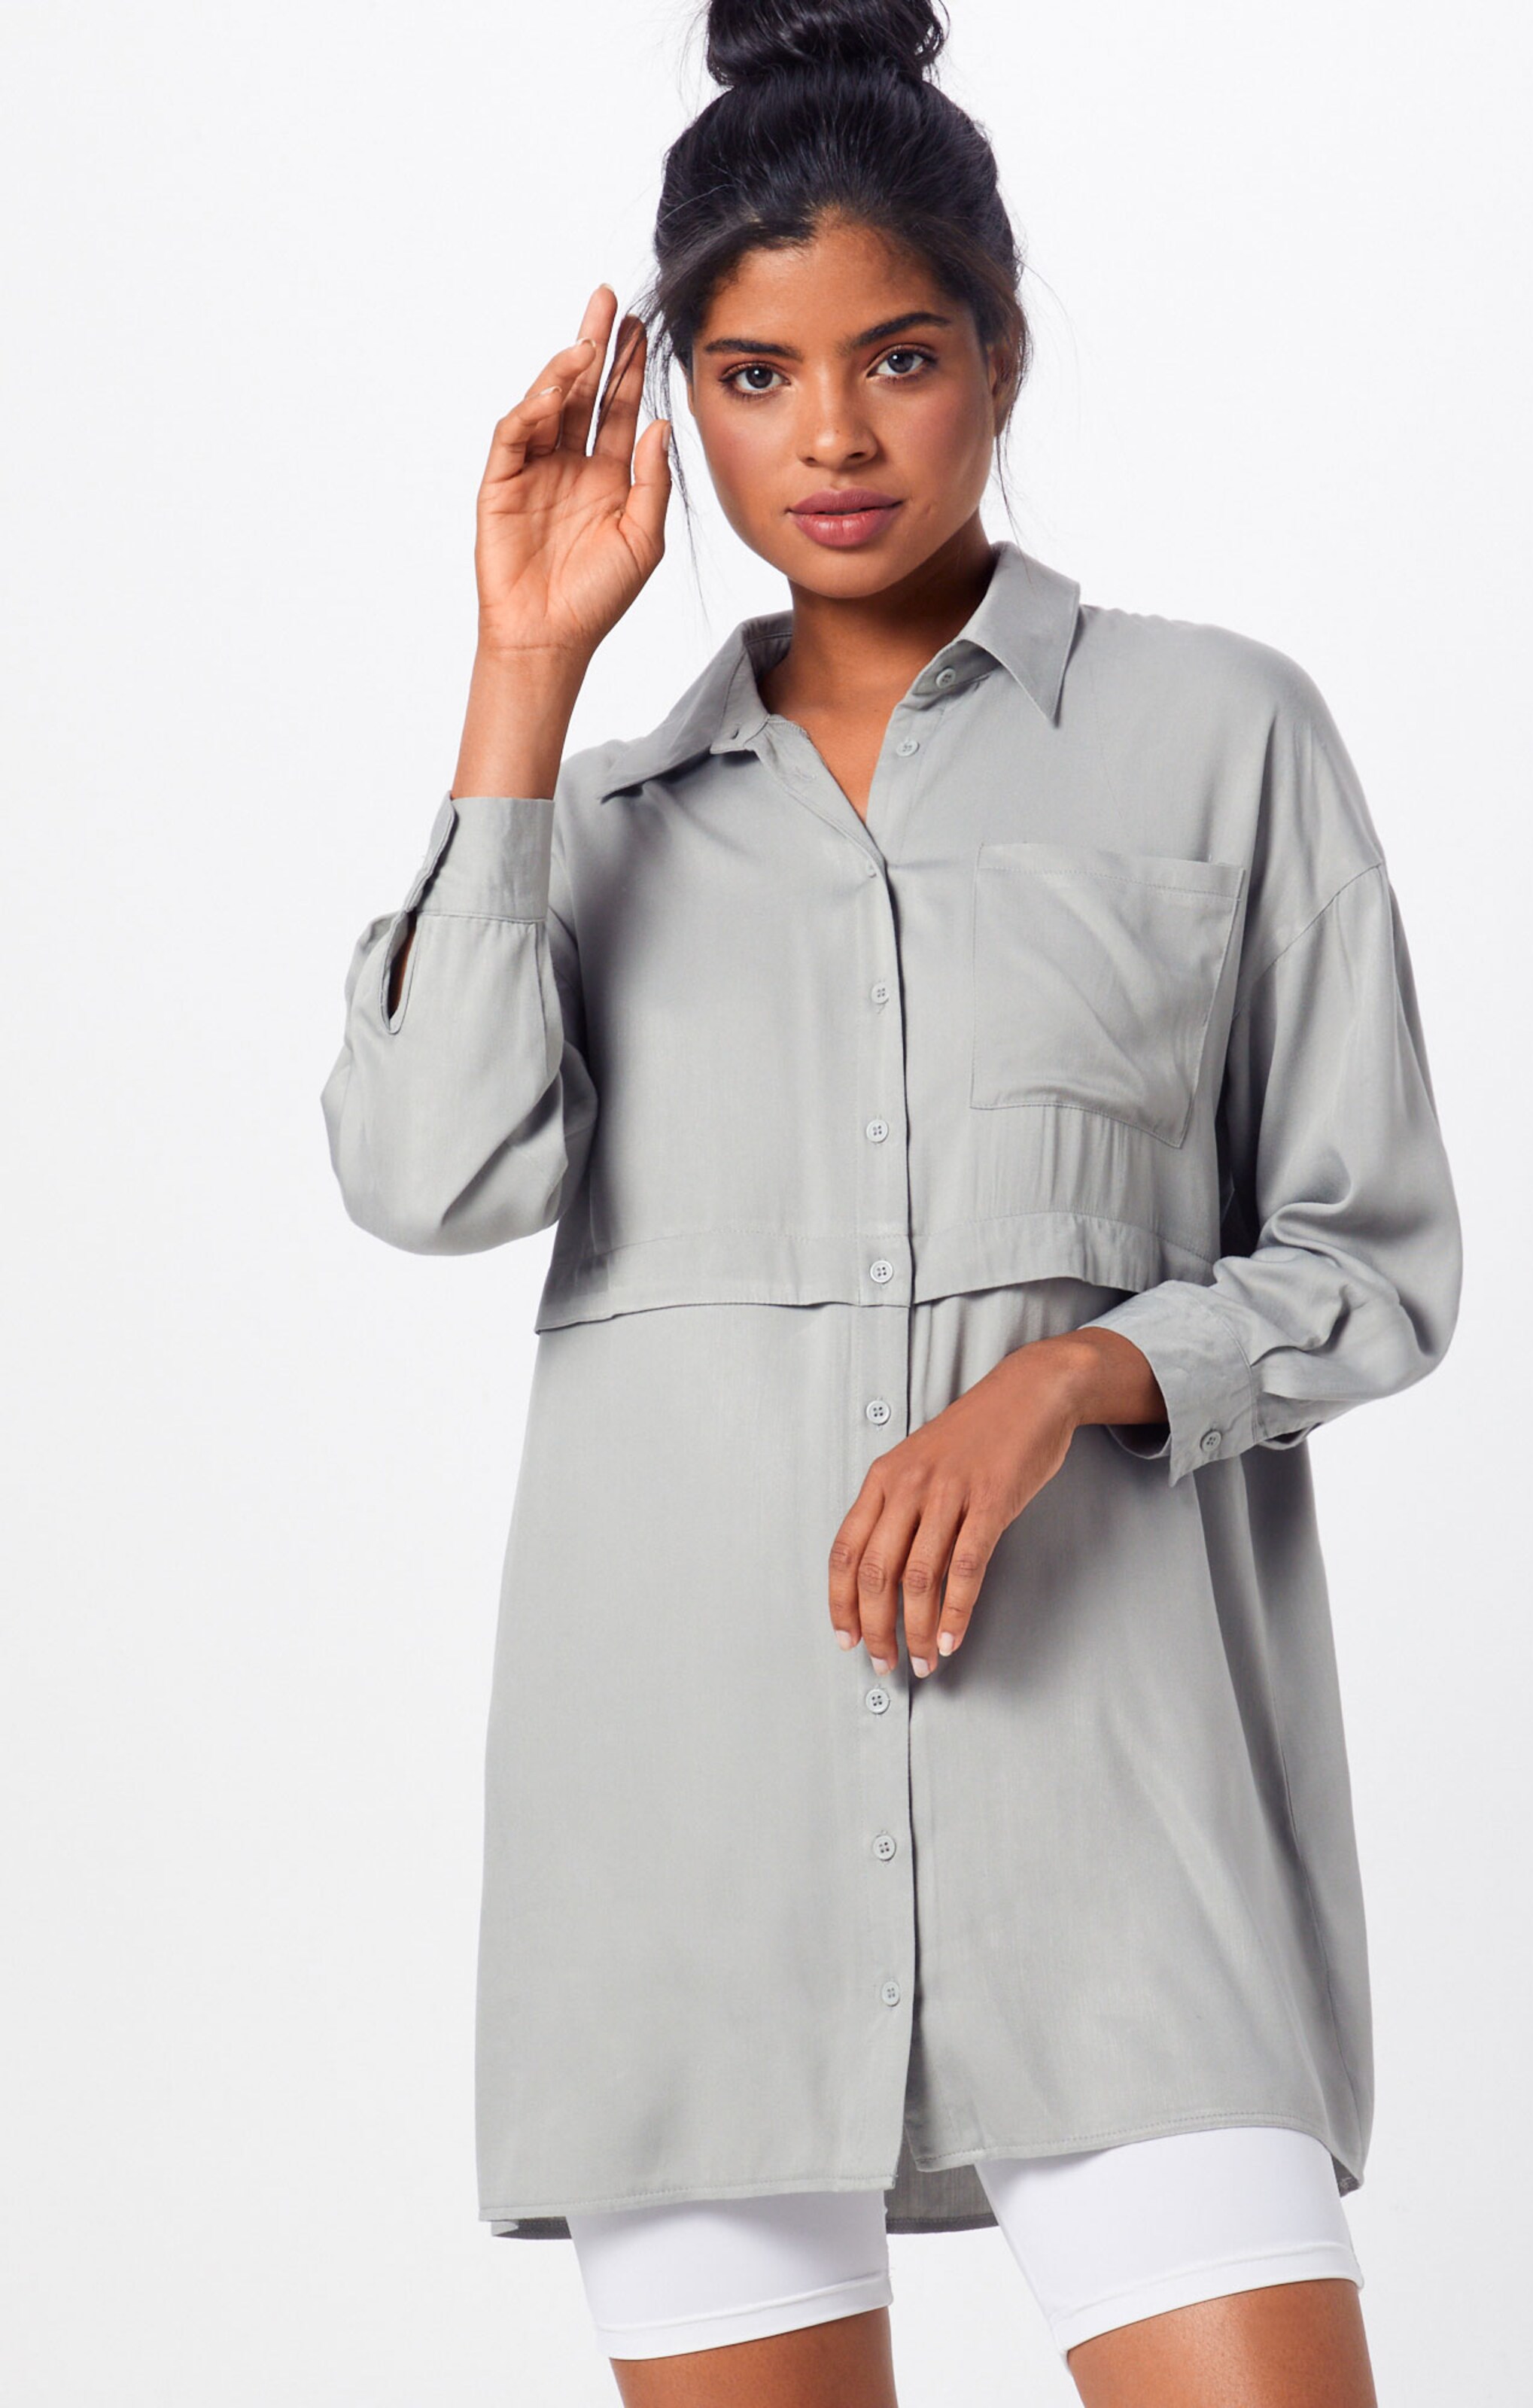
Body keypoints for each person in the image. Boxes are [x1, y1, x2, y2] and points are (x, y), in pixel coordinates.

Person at [319, 1, 1462, 2398]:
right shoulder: (588, 831)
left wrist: (1073, 1376)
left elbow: (1369, 1258)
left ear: (1002, 355)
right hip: (686, 1863)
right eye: (755, 376)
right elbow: (425, 1173)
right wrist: (522, 671)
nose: (832, 438)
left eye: (900, 358)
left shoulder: (1222, 735)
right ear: (682, 396)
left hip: (1120, 1829)